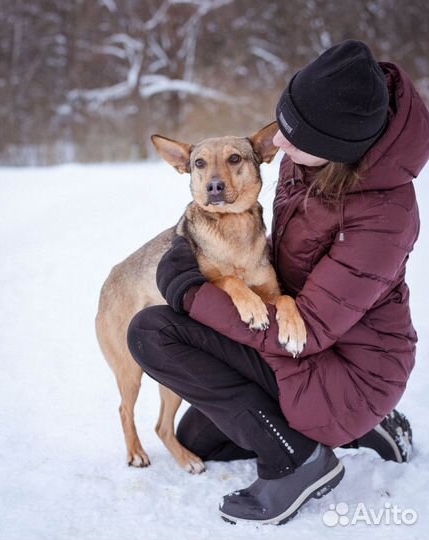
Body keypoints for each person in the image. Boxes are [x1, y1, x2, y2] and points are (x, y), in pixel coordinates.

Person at [127, 40, 429, 525]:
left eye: (294, 135)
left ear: (336, 147)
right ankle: (361, 430)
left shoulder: (384, 215)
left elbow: (303, 331)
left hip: (347, 367)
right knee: (199, 439)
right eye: (282, 125)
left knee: (151, 332)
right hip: (302, 344)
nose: (278, 144)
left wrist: (189, 289)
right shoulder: (307, 160)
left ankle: (302, 459)